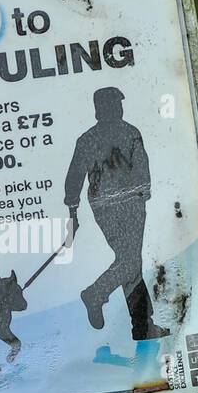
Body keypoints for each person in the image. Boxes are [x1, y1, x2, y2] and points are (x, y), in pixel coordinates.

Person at [64, 86, 168, 341]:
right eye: (115, 104)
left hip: (105, 207)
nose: (118, 108)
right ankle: (96, 294)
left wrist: (73, 209)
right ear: (103, 108)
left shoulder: (88, 138)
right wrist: (142, 197)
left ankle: (142, 327)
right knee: (130, 262)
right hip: (127, 205)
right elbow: (141, 173)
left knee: (129, 261)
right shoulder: (129, 133)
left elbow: (74, 179)